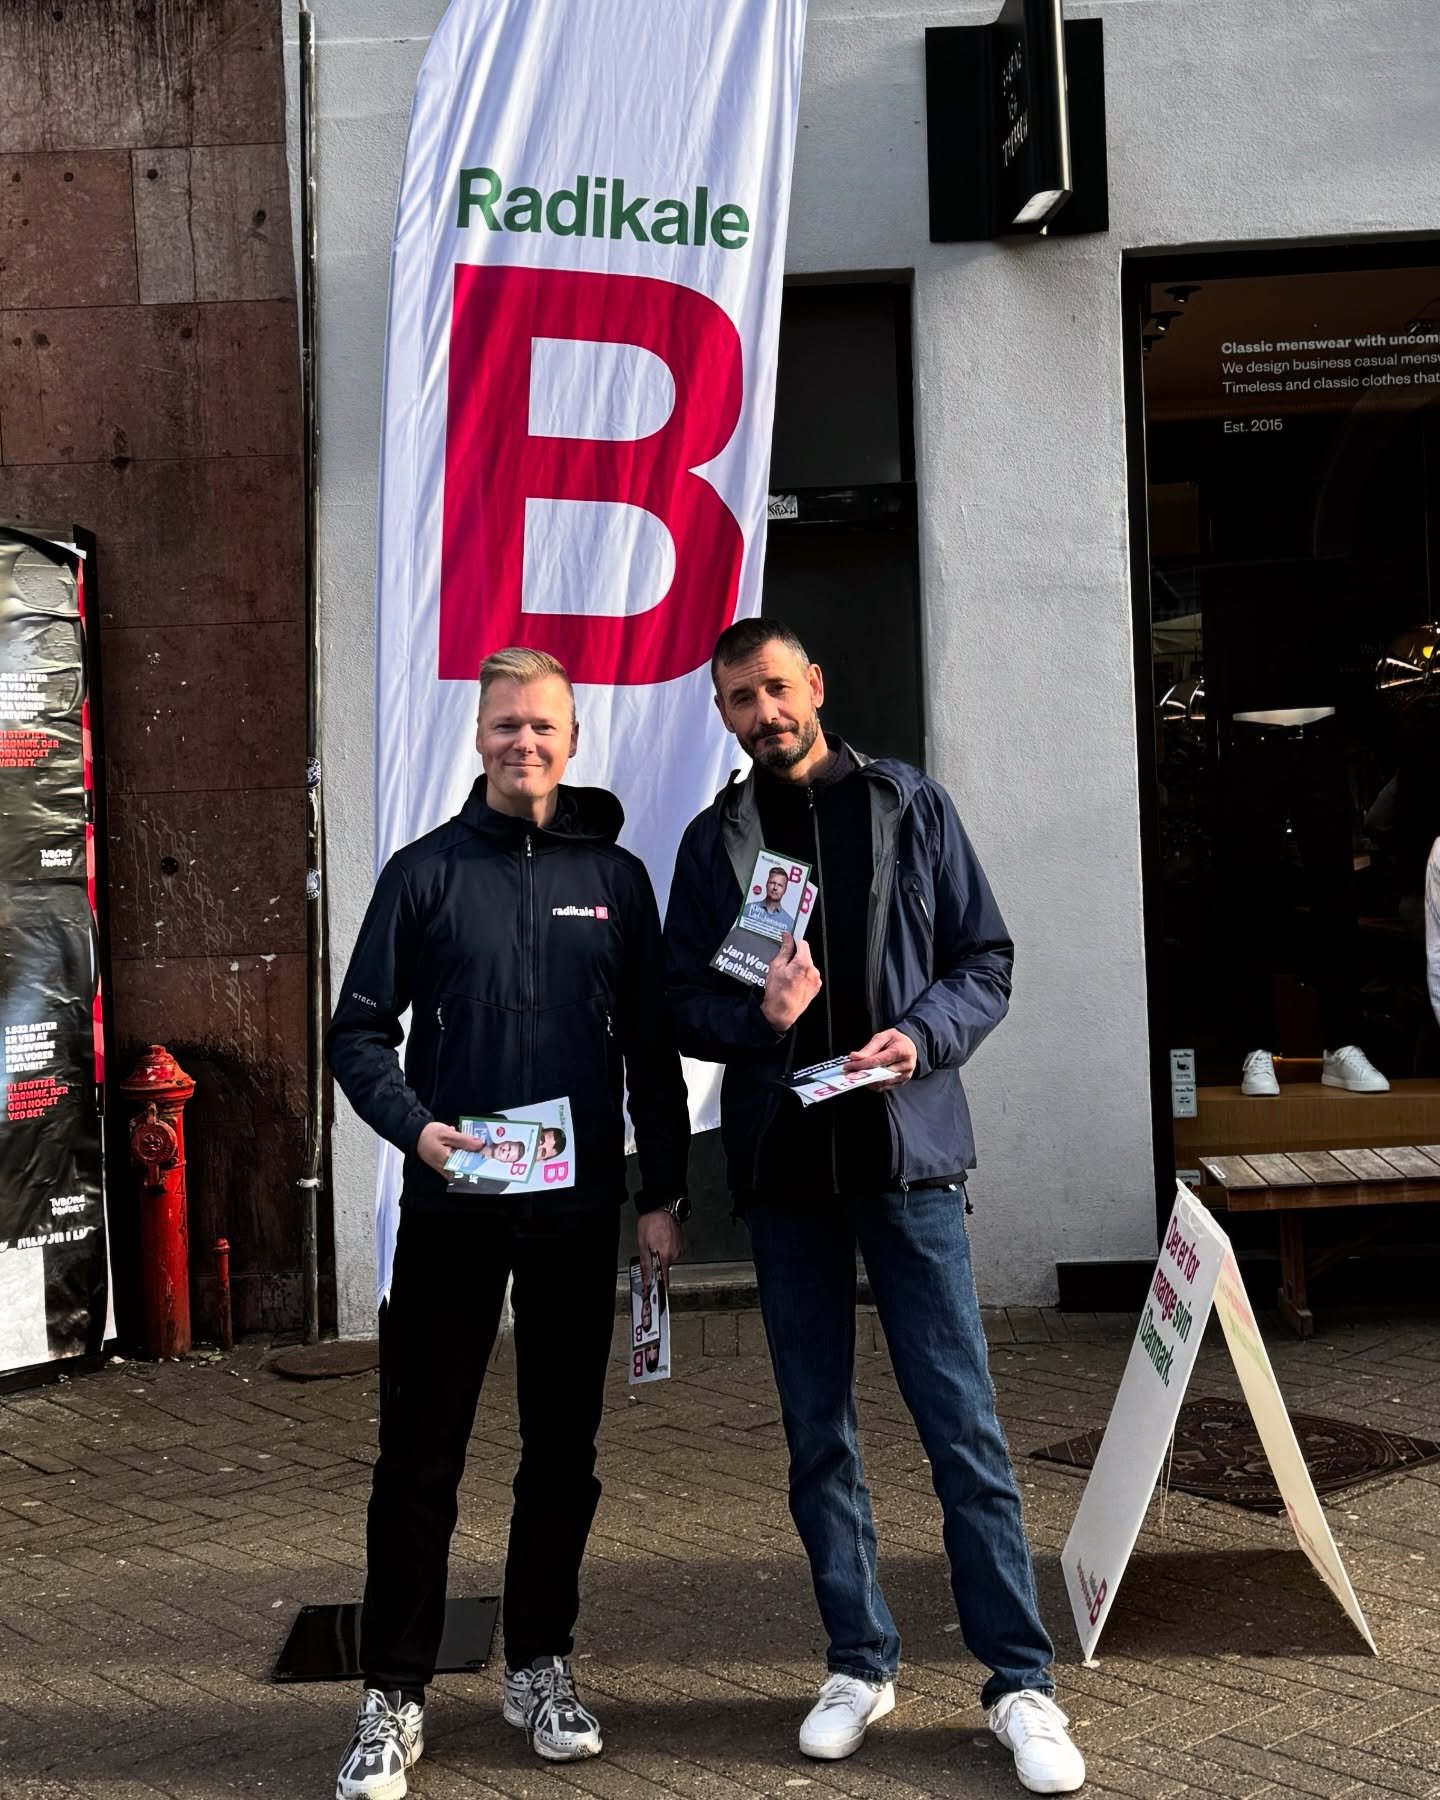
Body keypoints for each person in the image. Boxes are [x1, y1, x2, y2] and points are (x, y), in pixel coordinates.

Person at [664, 618, 1085, 1796]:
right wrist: (762, 1021)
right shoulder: (720, 842)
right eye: (740, 699)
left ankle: (1019, 1683)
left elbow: (984, 961)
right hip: (790, 1179)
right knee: (819, 1440)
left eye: (778, 689)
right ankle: (859, 1663)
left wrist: (925, 1037)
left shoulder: (910, 807)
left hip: (909, 1167)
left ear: (817, 687)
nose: (765, 714)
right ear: (725, 714)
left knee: (963, 1430)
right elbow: (680, 1002)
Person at [327, 647, 690, 1798]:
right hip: (454, 1206)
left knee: (562, 1453)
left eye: (541, 726)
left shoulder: (617, 879)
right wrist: (418, 1129)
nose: (522, 743)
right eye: (503, 727)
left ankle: (538, 1661)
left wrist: (664, 1194)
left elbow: (651, 1053)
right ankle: (393, 1691)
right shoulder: (423, 874)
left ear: (572, 740)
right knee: (419, 1458)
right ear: (477, 738)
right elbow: (358, 1032)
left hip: (575, 1213)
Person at [742, 863, 797, 937]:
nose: (775, 888)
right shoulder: (748, 909)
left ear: (785, 890)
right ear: (767, 884)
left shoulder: (790, 923)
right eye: (772, 883)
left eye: (780, 885)